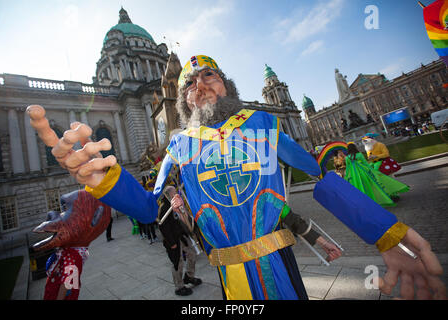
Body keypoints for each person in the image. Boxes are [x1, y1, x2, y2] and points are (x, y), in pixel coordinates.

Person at [26, 55, 446, 300]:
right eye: (190, 83)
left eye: (208, 75)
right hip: (229, 274)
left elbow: (320, 176)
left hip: (281, 261)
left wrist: (385, 235)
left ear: (225, 83)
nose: (199, 85)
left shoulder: (262, 124)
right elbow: (151, 208)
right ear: (184, 97)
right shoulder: (180, 146)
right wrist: (105, 178)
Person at [32, 190, 111, 300]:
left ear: (95, 218)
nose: (58, 215)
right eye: (64, 209)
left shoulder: (72, 256)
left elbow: (68, 284)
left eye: (68, 209)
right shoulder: (67, 252)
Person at [158, 186, 202, 296]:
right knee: (177, 262)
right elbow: (163, 227)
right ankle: (179, 286)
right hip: (172, 240)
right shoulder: (164, 208)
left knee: (192, 254)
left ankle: (189, 277)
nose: (176, 195)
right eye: (174, 194)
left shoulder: (177, 204)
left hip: (182, 237)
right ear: (169, 195)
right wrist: (172, 243)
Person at [344, 142, 409, 207]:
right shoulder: (359, 154)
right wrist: (372, 170)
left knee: (359, 187)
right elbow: (365, 163)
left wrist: (347, 176)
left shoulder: (347, 158)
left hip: (354, 175)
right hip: (363, 172)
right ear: (355, 148)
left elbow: (348, 168)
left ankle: (363, 201)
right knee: (372, 185)